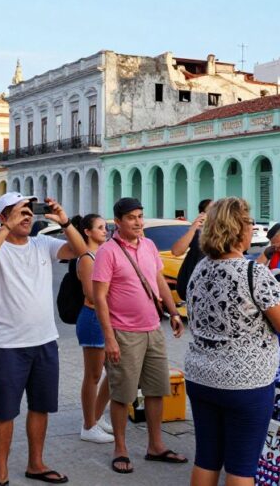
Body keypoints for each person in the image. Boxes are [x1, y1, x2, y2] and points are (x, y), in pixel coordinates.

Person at [0, 192, 88, 486]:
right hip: (9, 345)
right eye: (19, 211)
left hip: (45, 341)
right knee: (5, 411)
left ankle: (36, 463)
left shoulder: (42, 244)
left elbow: (81, 250)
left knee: (40, 406)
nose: (26, 217)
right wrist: (5, 229)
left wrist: (64, 222)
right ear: (3, 217)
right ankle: (2, 472)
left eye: (28, 211)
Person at [184, 197, 280, 486]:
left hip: (201, 376)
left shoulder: (201, 268)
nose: (253, 229)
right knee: (241, 466)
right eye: (250, 223)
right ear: (238, 229)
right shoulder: (252, 272)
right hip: (245, 382)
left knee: (206, 458)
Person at [92, 197, 187, 475]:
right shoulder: (108, 252)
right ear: (118, 221)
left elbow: (159, 281)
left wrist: (174, 313)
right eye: (132, 217)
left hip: (153, 329)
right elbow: (99, 297)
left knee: (157, 390)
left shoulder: (148, 245)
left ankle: (155, 445)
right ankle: (120, 448)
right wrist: (109, 338)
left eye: (140, 216)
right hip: (123, 333)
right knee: (122, 394)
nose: (138, 222)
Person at [71, 214, 114, 444]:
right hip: (93, 318)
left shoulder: (105, 252)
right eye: (100, 227)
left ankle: (96, 416)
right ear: (87, 232)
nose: (105, 230)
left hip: (108, 316)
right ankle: (88, 425)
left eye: (105, 226)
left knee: (115, 371)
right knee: (94, 374)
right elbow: (90, 293)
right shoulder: (87, 257)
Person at [174, 199, 212, 301]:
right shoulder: (197, 233)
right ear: (203, 214)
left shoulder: (223, 233)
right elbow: (176, 251)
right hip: (194, 288)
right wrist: (194, 227)